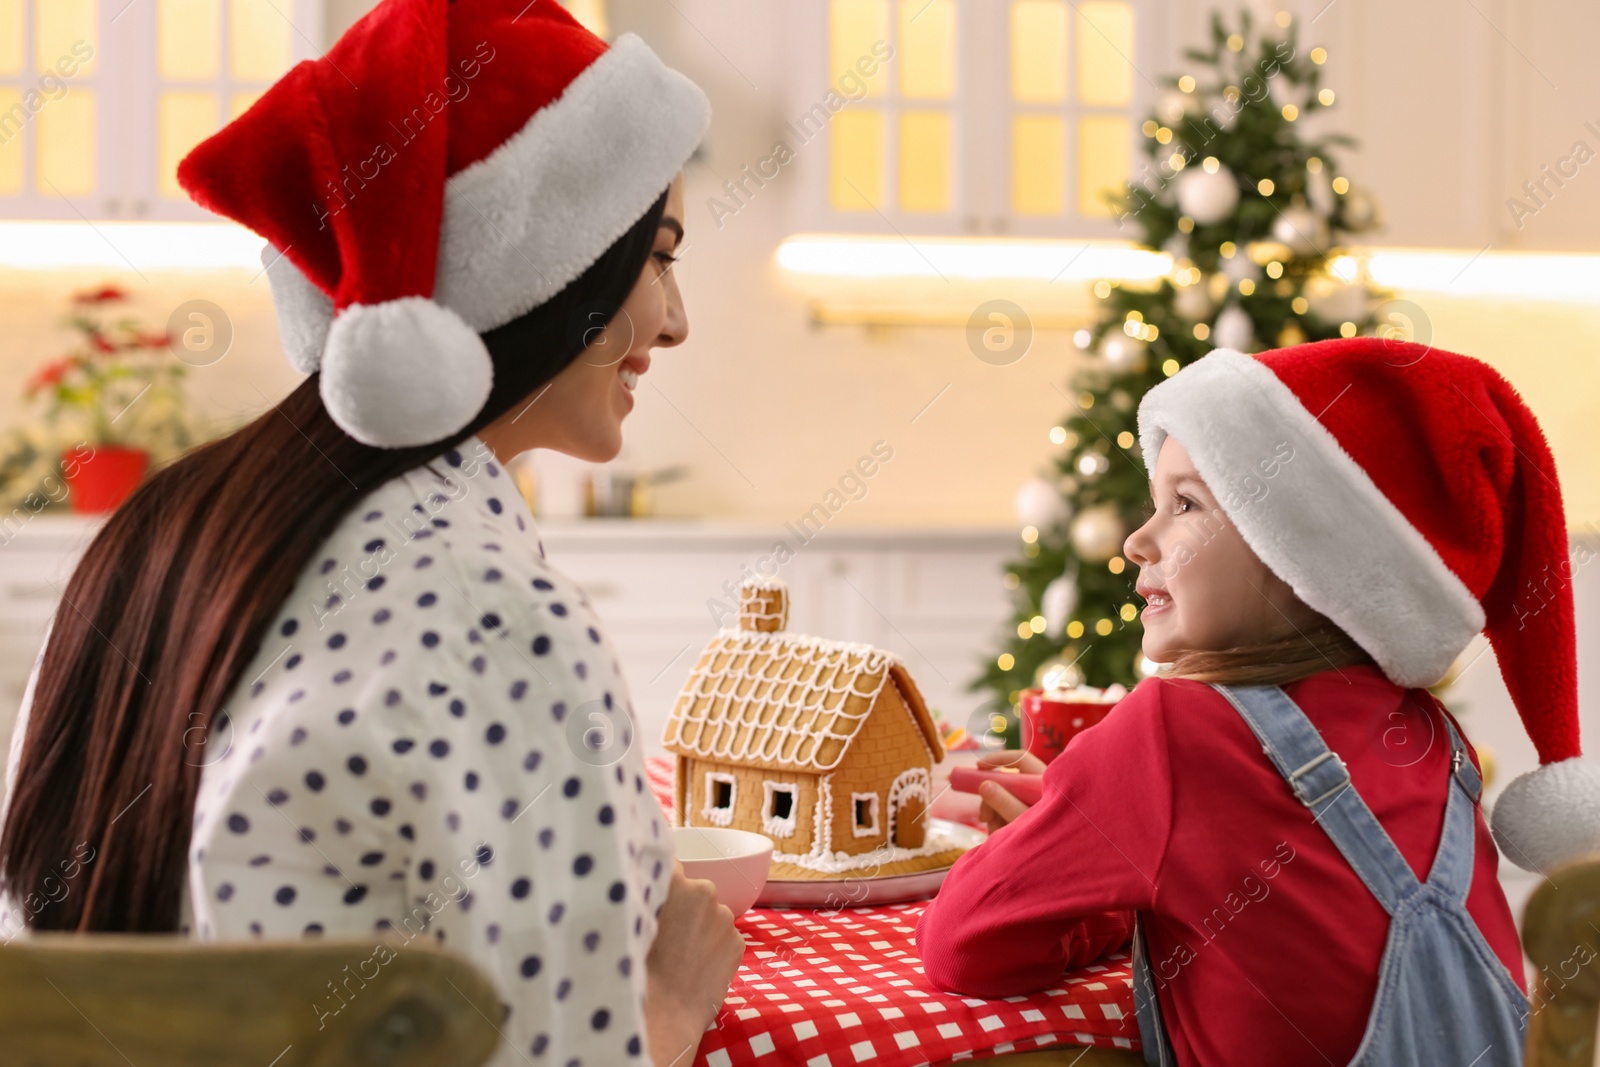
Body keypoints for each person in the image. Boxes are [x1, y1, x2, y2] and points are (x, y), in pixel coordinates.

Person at [0, 2, 744, 1064]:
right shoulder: (507, 627)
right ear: (544, 269)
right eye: (659, 256)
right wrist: (664, 1009)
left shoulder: (162, 529)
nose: (674, 320)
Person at [917, 337, 1600, 1066]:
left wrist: (1054, 876)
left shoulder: (1168, 731)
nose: (1137, 539)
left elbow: (964, 945)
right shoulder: (1432, 732)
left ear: (1300, 552)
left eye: (1185, 503)